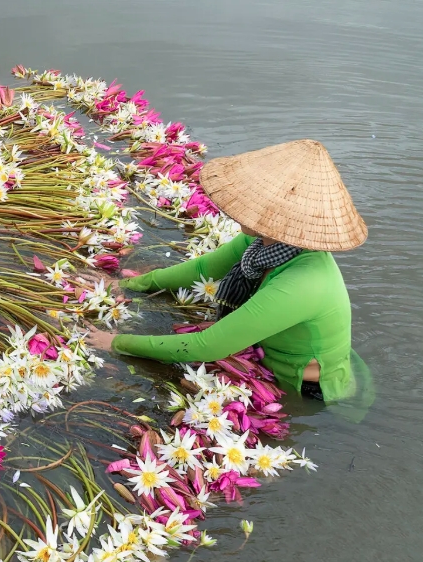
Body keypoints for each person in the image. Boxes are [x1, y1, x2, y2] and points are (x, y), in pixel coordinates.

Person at [86, 139, 369, 403]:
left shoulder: (305, 283)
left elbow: (208, 346)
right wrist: (127, 286)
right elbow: (202, 268)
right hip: (269, 354)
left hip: (307, 388)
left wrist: (116, 342)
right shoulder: (261, 242)